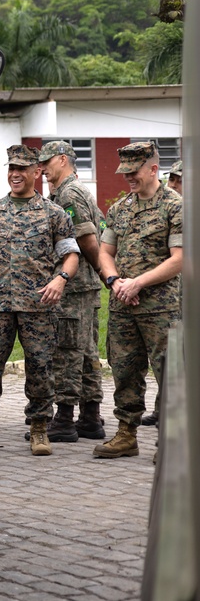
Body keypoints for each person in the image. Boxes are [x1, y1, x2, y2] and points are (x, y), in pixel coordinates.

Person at [0, 145, 80, 456]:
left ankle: (39, 430)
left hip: (38, 305)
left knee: (40, 367)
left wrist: (60, 280)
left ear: (36, 172)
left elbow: (71, 256)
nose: (15, 174)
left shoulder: (54, 214)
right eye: (11, 168)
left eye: (22, 169)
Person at [94, 142, 182, 458]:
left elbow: (180, 258)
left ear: (153, 168)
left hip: (161, 307)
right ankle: (126, 434)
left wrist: (138, 283)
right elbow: (105, 252)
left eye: (134, 172)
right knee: (124, 369)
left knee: (169, 371)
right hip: (123, 306)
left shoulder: (175, 206)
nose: (128, 178)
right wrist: (115, 280)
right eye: (125, 172)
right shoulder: (120, 208)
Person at [31, 141, 107, 441]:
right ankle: (90, 417)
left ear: (63, 160)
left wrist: (105, 274)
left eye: (47, 162)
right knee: (87, 351)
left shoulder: (69, 193)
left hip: (74, 286)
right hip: (84, 286)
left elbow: (87, 239)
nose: (43, 168)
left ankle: (64, 419)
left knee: (67, 351)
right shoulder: (76, 189)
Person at [141, 158, 183, 427]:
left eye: (181, 179)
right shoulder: (171, 210)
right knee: (169, 354)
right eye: (173, 178)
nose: (174, 183)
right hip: (172, 293)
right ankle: (162, 408)